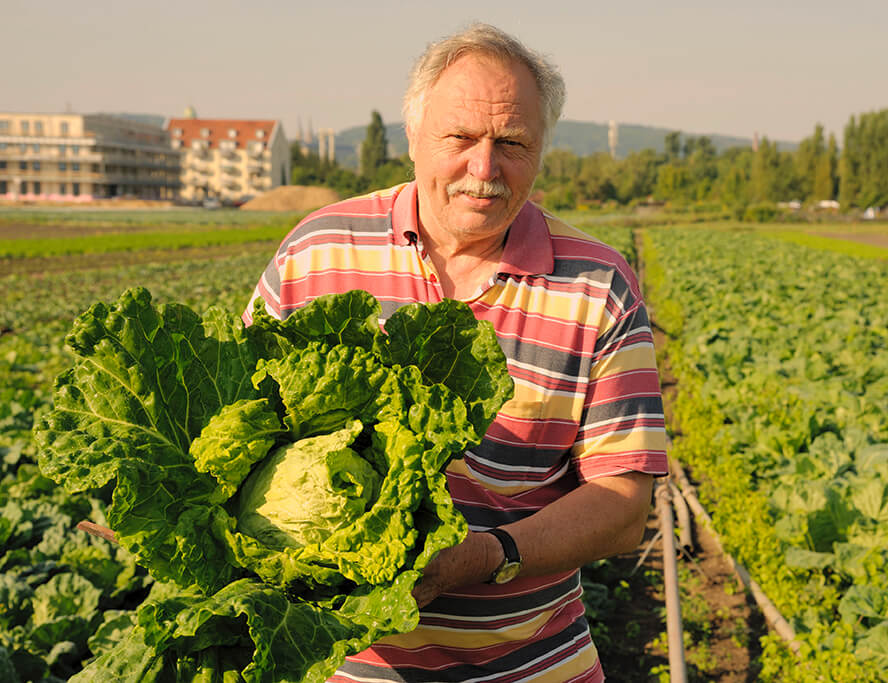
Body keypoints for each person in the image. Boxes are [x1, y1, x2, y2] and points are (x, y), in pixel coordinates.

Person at [244, 23, 668, 682]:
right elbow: (232, 426)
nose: (484, 168)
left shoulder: (599, 285)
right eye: (460, 137)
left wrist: (482, 554)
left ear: (542, 151)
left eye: (513, 142)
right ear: (412, 136)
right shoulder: (316, 252)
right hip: (338, 664)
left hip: (531, 663)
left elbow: (622, 504)